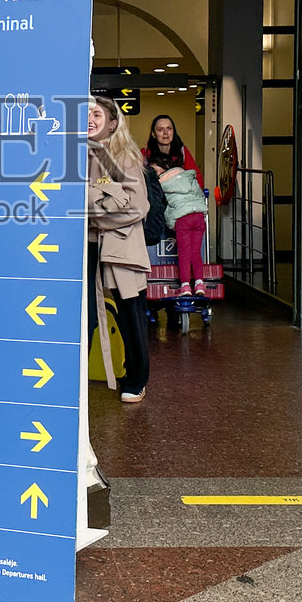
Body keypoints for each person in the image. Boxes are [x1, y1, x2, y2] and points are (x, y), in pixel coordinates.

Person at [87, 98, 153, 403]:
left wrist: (93, 210)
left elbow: (137, 206)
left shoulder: (125, 156)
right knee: (84, 315)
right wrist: (102, 198)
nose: (90, 119)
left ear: (113, 123)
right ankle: (78, 379)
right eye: (85, 114)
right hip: (84, 248)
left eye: (97, 115)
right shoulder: (72, 155)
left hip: (120, 248)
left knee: (130, 314)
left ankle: (137, 378)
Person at [144, 115, 208, 296]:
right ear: (153, 133)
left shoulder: (182, 152)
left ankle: (188, 284)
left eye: (169, 128)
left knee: (188, 250)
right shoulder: (145, 155)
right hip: (158, 211)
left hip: (180, 211)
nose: (165, 133)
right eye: (160, 129)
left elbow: (197, 180)